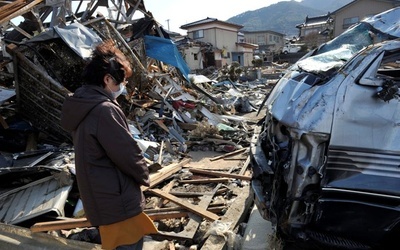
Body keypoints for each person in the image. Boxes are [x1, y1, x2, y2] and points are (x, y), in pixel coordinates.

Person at [60, 39, 157, 250]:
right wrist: (144, 174)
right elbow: (127, 154)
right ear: (107, 79)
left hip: (101, 196)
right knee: (128, 243)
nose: (123, 87)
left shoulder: (82, 105)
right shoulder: (104, 110)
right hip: (117, 199)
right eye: (121, 81)